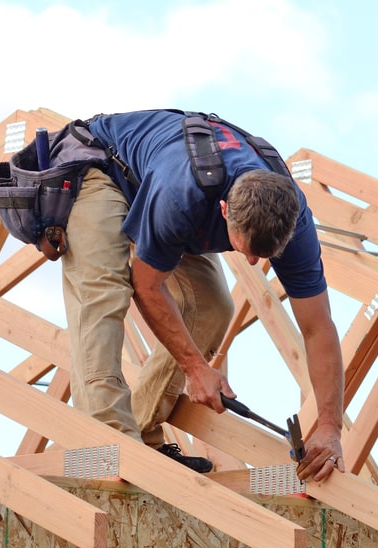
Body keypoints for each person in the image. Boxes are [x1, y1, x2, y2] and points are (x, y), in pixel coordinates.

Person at [37, 109, 344, 482]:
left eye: (263, 256)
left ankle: (142, 435)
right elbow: (147, 287)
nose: (250, 260)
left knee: (213, 307)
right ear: (225, 209)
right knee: (104, 291)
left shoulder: (294, 220)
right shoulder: (182, 193)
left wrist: (329, 425)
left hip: (164, 193)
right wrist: (195, 369)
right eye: (243, 247)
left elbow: (318, 327)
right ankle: (106, 453)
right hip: (102, 170)